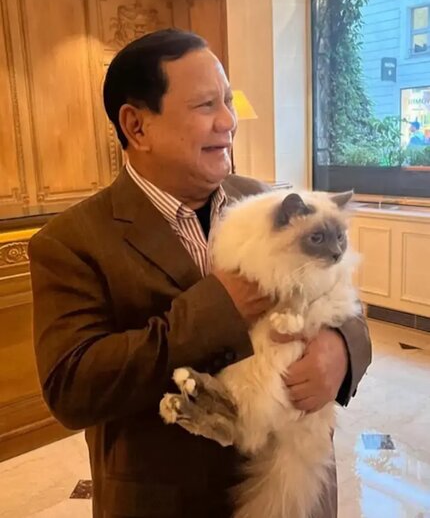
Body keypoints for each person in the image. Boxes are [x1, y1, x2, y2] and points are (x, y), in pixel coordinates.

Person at [29, 28, 371, 518]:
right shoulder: (71, 241)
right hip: (171, 501)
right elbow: (72, 388)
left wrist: (340, 349)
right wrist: (220, 309)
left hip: (295, 492)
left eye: (227, 101)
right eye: (206, 105)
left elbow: (345, 299)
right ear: (137, 126)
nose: (229, 121)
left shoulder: (269, 201)